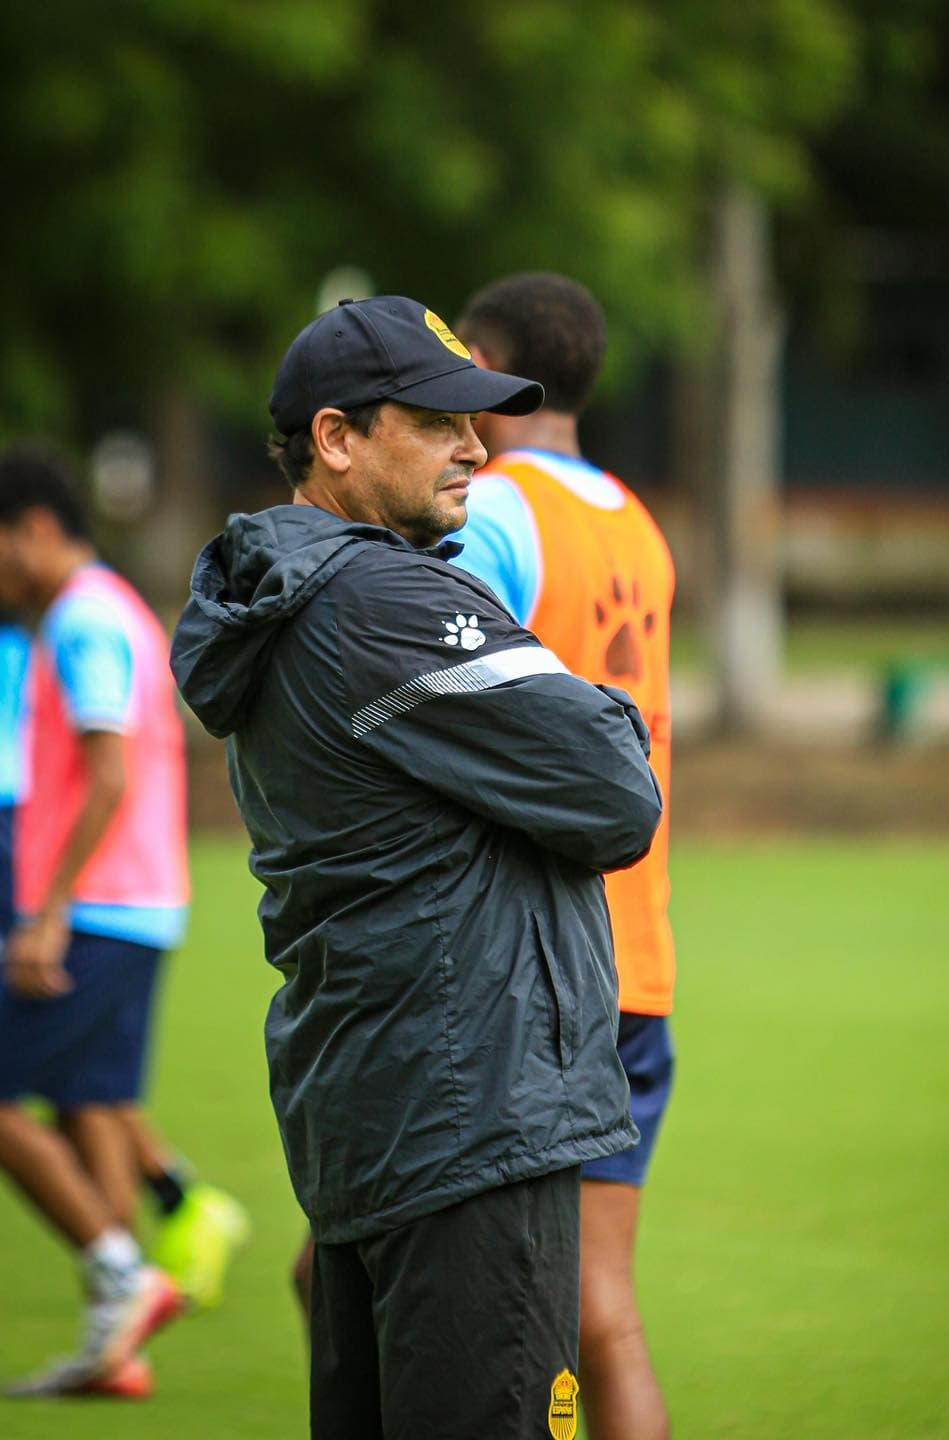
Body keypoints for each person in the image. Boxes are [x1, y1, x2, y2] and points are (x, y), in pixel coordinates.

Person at [170, 294, 663, 1440]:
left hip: (374, 1107)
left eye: (478, 421)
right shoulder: (386, 596)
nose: (476, 450)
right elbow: (616, 791)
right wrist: (593, 707)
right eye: (439, 421)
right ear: (337, 439)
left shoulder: (296, 596)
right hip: (472, 1113)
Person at [451, 272, 676, 1440]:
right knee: (605, 1313)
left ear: (495, 372)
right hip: (639, 959)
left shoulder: (492, 516)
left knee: (480, 1306)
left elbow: (437, 702)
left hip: (536, 970)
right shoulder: (633, 519)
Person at [0, 449, 189, 1397]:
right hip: (139, 904)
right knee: (90, 1098)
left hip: (104, 907)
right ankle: (117, 1342)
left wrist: (48, 909)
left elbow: (107, 771)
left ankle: (122, 1274)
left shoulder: (81, 620)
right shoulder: (102, 608)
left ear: (34, 528)